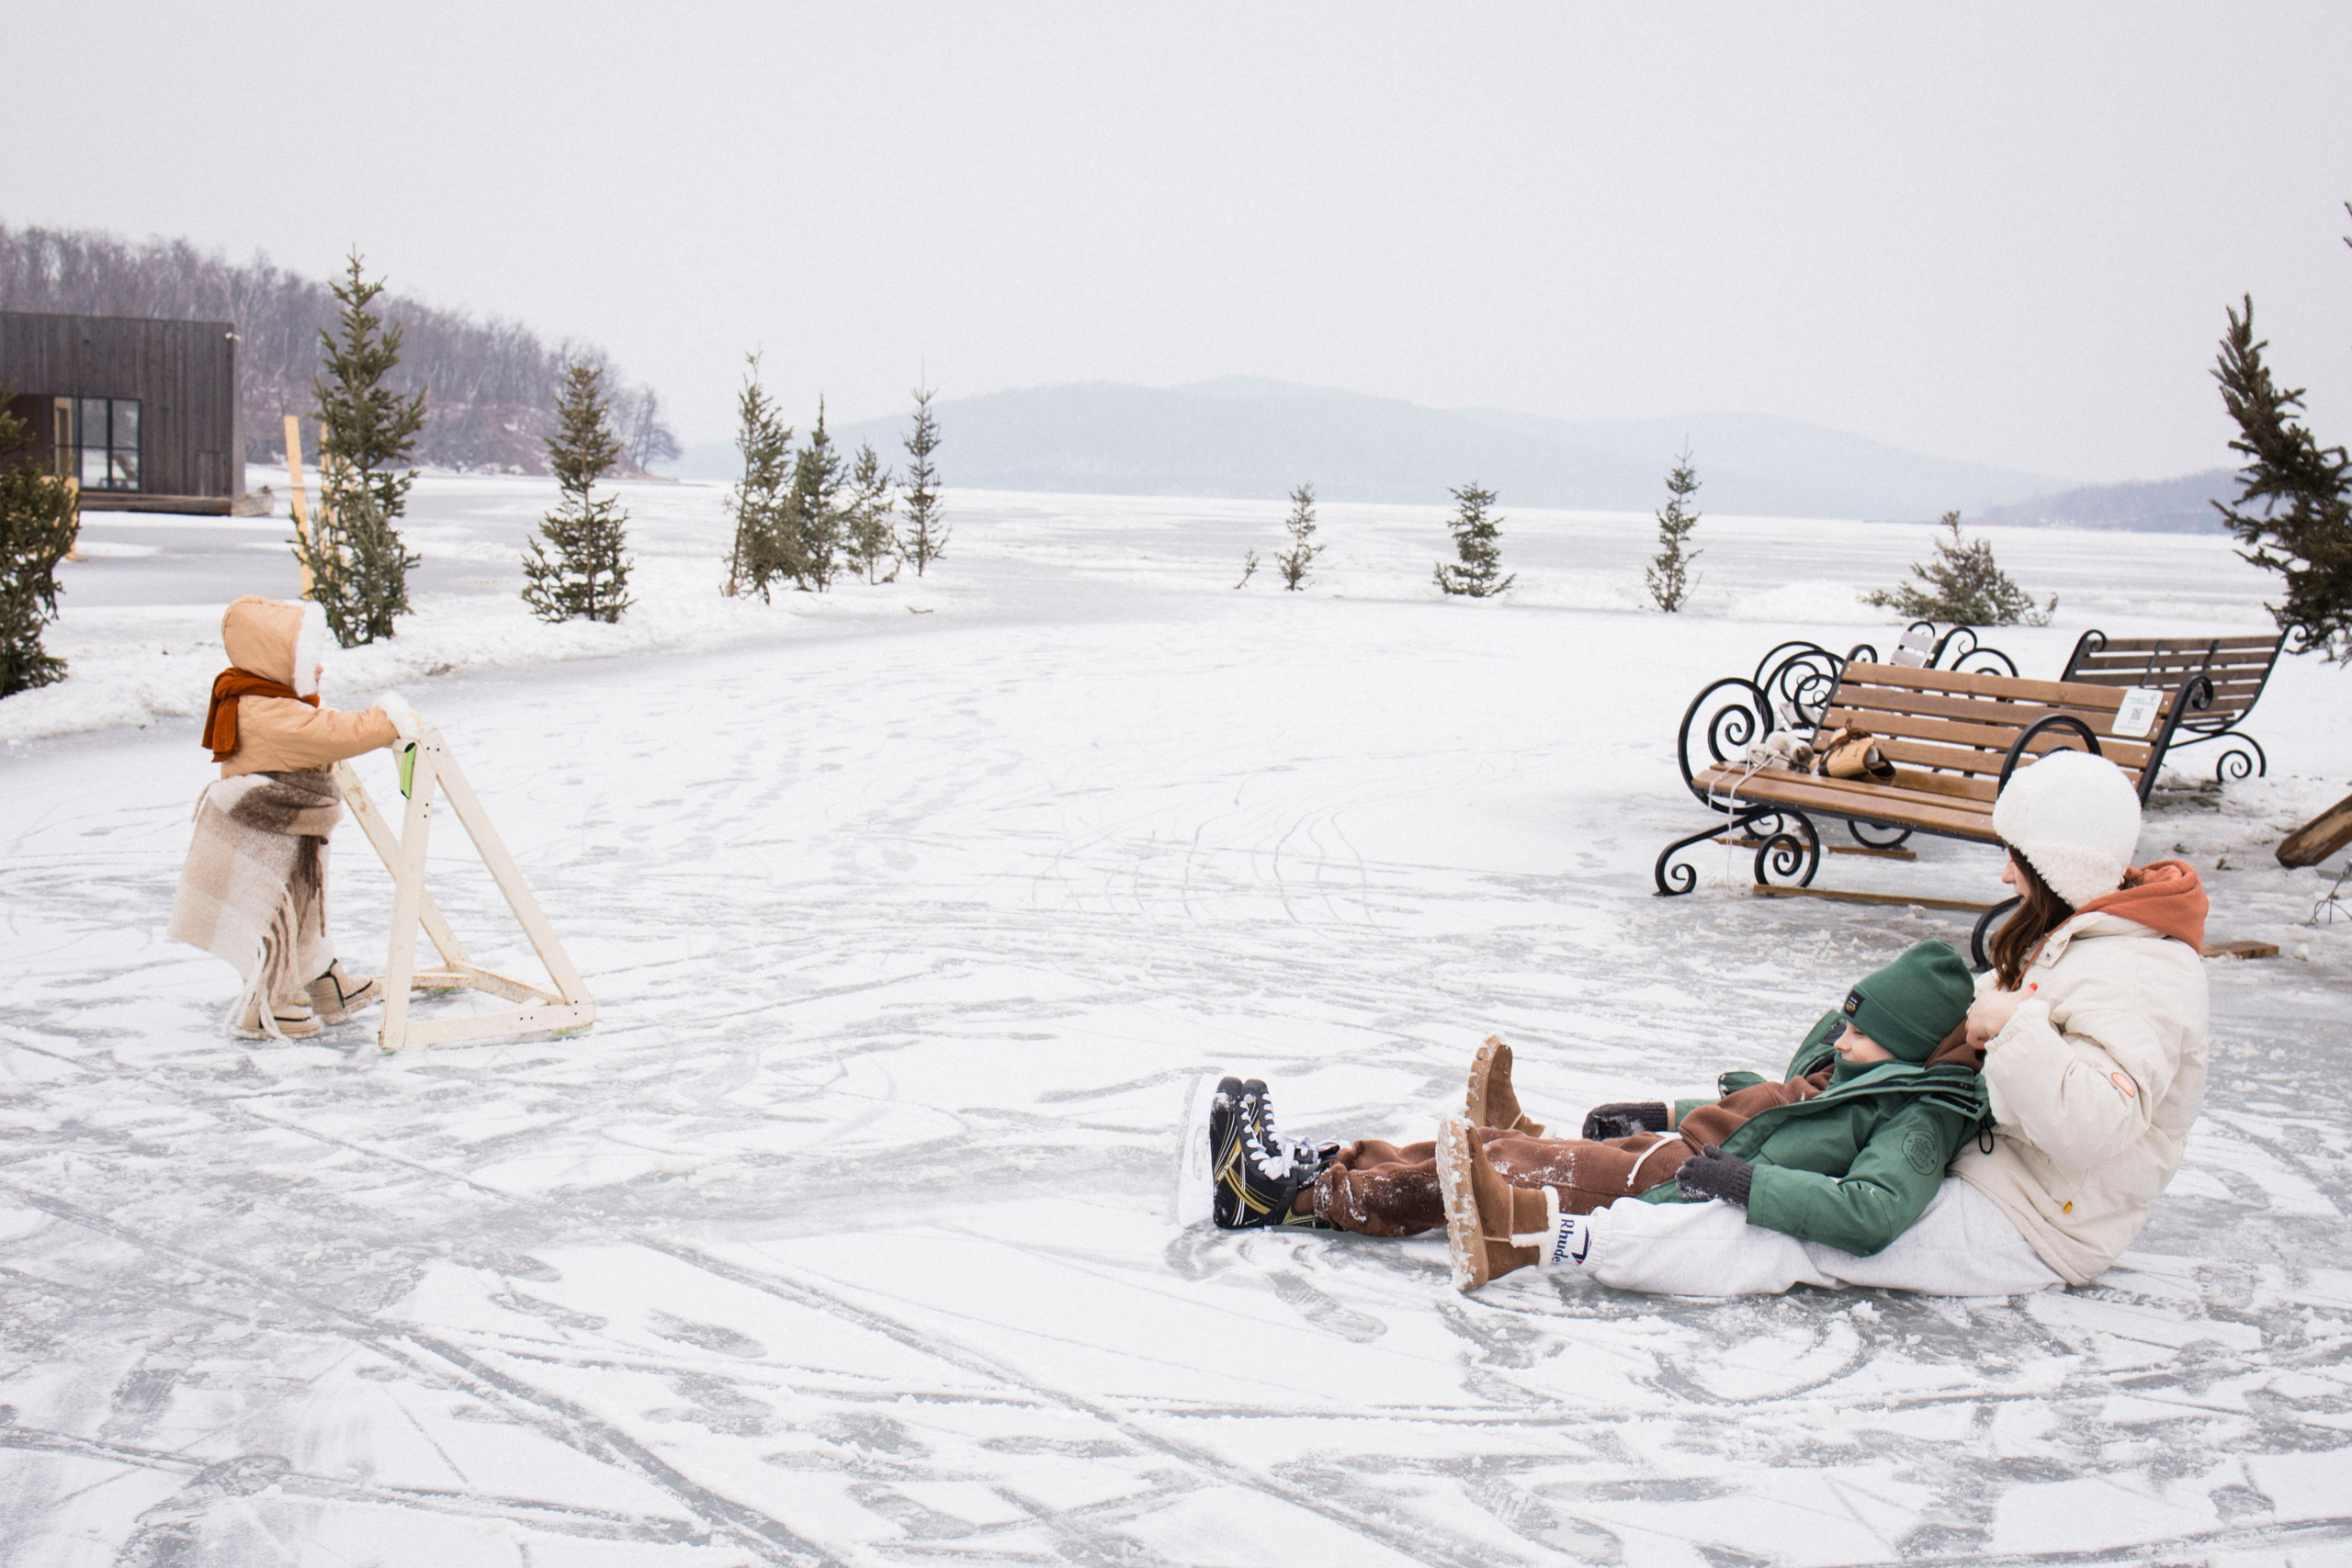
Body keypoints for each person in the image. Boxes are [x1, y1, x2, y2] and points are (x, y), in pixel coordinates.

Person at [1208, 748, 2211, 1299]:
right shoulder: (2084, 943)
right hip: (1964, 1171)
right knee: (1659, 1154)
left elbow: (2087, 1128)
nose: (2001, 876)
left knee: (1659, 1188)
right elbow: (1877, 1080)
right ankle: (1330, 1167)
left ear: (2063, 866)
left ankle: (1311, 1195)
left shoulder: (2137, 973)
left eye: (2016, 856)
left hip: (2024, 1224)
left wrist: (2012, 1028)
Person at [1204, 939, 1997, 1286]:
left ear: (1908, 1046)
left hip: (1678, 1188)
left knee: (1504, 1168)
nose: (1845, 1037)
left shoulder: (1917, 1117)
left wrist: (1744, 1182)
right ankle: (1322, 1163)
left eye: (1862, 1032)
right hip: (1678, 1151)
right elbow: (1782, 1106)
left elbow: (1875, 1210)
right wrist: (1667, 1109)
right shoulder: (1864, 1069)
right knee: (1485, 1145)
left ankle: (1285, 1199)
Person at [168, 596, 420, 1039]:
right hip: (274, 829)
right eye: (308, 660)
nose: (319, 669)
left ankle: (325, 983)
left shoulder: (259, 696)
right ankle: (268, 1005)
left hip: (289, 824)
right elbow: (330, 733)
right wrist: (390, 719)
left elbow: (316, 722)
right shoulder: (267, 711)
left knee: (305, 909)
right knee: (276, 919)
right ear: (273, 660)